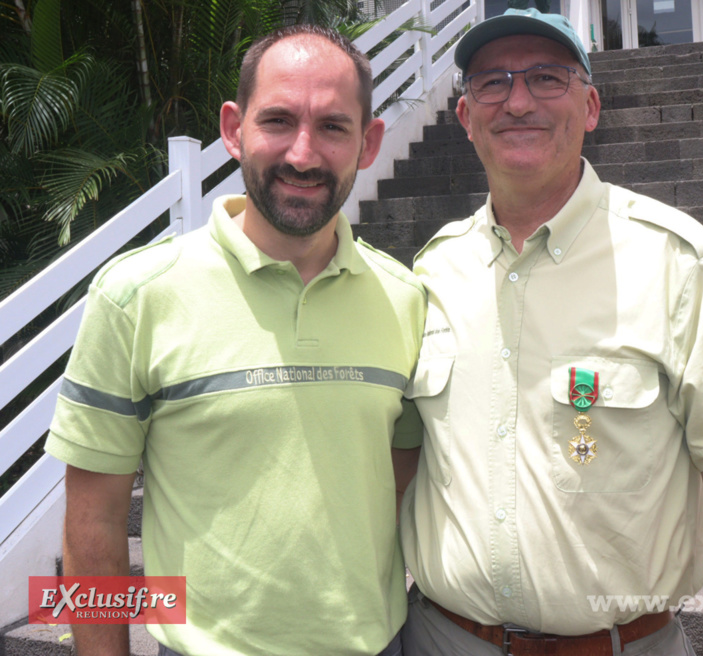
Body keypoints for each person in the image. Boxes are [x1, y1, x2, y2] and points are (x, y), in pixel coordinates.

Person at [399, 9, 703, 656]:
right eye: (491, 83)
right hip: (442, 639)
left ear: (590, 106)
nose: (517, 101)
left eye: (546, 78)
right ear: (465, 117)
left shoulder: (677, 260)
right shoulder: (432, 270)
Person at [46, 25, 425, 656]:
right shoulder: (138, 295)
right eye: (278, 120)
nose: (302, 155)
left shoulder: (405, 299)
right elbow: (95, 521)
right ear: (233, 128)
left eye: (333, 126)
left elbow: (400, 481)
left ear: (370, 142)